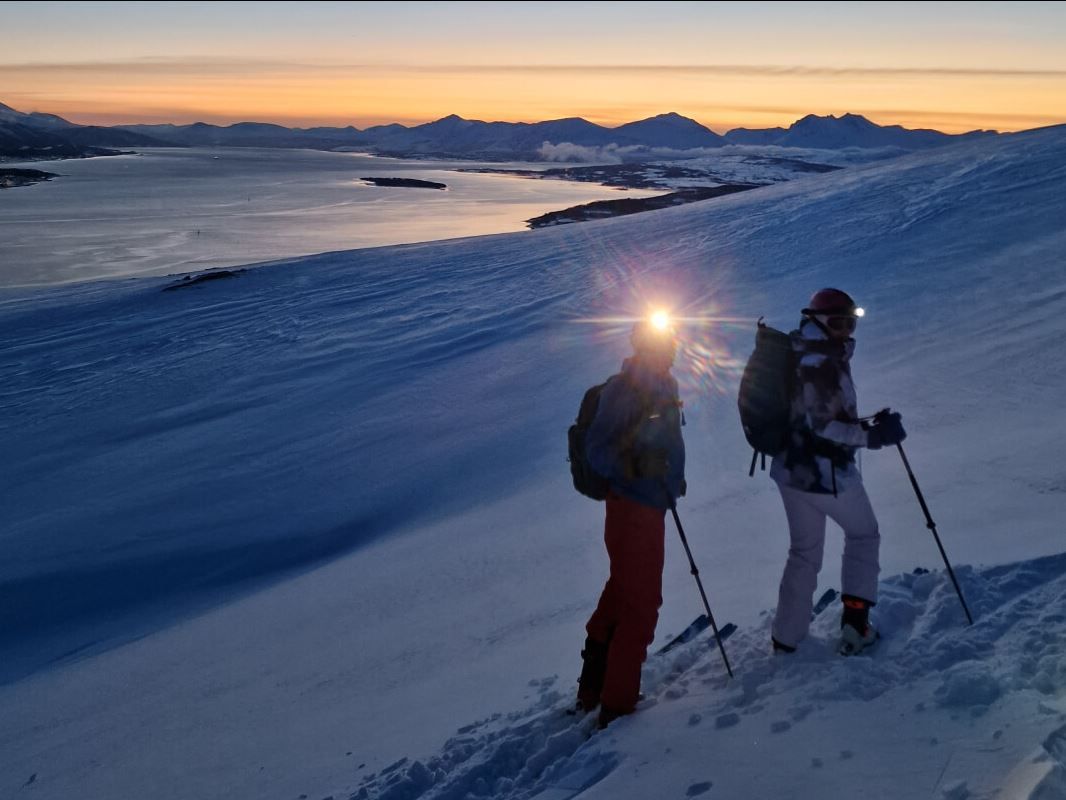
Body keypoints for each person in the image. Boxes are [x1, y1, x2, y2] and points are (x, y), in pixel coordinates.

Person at [769, 288, 906, 655]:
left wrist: (865, 424)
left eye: (850, 322)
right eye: (838, 323)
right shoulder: (819, 362)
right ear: (819, 321)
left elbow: (812, 416)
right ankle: (856, 626)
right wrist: (872, 435)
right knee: (864, 535)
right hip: (825, 475)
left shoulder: (803, 352)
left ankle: (786, 636)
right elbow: (824, 425)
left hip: (791, 471)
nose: (846, 330)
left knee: (804, 552)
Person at [576, 318, 686, 728]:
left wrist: (672, 479)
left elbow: (667, 442)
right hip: (632, 508)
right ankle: (617, 706)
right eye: (663, 343)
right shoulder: (625, 389)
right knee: (641, 605)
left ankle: (593, 689)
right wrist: (638, 466)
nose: (670, 349)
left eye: (671, 341)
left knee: (621, 592)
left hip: (649, 505)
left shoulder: (665, 383)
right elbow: (597, 450)